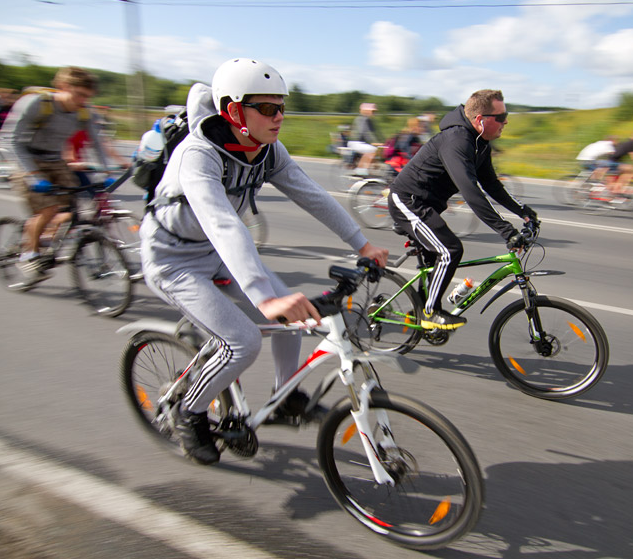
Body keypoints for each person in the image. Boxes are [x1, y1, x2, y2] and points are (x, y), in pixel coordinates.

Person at [140, 58, 389, 465]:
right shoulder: (197, 155)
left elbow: (313, 196)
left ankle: (285, 396)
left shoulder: (267, 151)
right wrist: (263, 298)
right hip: (173, 261)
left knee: (296, 317)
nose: (279, 117)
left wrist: (361, 244)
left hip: (215, 254)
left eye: (282, 107)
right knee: (243, 341)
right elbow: (223, 224)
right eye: (268, 108)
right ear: (235, 111)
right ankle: (189, 411)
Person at [387, 89, 537, 331]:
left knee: (438, 261)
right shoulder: (457, 140)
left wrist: (524, 212)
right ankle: (430, 313)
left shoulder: (480, 143)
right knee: (450, 250)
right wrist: (506, 231)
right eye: (501, 117)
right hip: (408, 201)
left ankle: (420, 312)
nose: (506, 121)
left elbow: (491, 185)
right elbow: (470, 190)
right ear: (480, 120)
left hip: (429, 206)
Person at [0, 67, 113, 281]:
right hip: (28, 160)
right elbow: (9, 140)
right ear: (63, 87)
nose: (83, 101)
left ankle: (44, 237)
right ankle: (28, 255)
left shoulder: (83, 112)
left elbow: (97, 142)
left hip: (55, 160)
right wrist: (33, 175)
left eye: (88, 96)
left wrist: (105, 171)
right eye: (79, 94)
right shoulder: (37, 104)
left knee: (74, 209)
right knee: (48, 209)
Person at [598, 130, 633, 196]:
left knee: (620, 174)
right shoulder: (632, 143)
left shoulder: (626, 142)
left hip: (608, 162)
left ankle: (613, 190)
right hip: (612, 162)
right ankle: (617, 190)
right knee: (631, 170)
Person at [347, 102, 381, 176]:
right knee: (372, 150)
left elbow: (376, 132)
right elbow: (364, 132)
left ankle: (365, 169)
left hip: (361, 143)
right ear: (366, 111)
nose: (374, 113)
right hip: (355, 142)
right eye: (372, 111)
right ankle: (361, 170)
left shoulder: (368, 120)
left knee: (374, 150)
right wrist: (373, 142)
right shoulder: (362, 119)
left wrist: (382, 141)